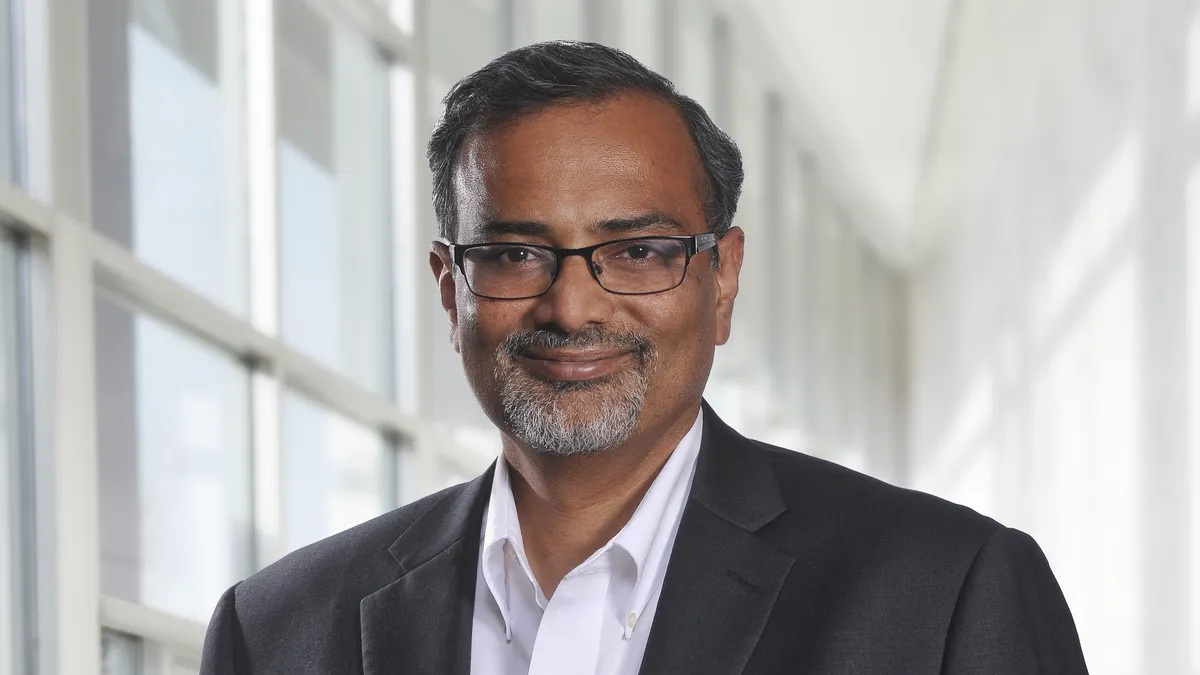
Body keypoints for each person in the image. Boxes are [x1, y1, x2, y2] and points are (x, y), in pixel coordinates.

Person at [200, 41, 1089, 674]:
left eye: (638, 250)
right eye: (514, 253)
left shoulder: (943, 594)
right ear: (450, 287)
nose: (572, 305)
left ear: (723, 277)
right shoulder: (277, 632)